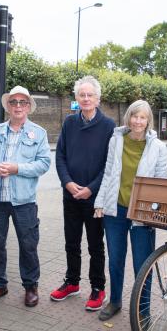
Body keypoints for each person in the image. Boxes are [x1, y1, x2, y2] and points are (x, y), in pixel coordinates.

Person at [93, 100, 167, 321]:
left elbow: (161, 184)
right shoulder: (116, 140)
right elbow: (108, 174)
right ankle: (115, 301)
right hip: (115, 210)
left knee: (143, 264)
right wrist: (100, 203)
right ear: (128, 117)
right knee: (115, 259)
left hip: (142, 213)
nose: (138, 121)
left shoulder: (158, 147)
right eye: (134, 116)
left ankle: (143, 310)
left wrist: (155, 213)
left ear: (148, 121)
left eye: (142, 117)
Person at [0, 85, 50, 308]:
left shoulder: (39, 133)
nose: (18, 106)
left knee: (28, 244)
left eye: (23, 102)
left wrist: (16, 168)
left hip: (24, 200)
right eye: (14, 102)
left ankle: (31, 286)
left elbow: (44, 163)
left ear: (29, 107)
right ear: (8, 106)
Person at [50, 76, 115, 311]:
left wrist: (91, 188)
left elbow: (109, 164)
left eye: (90, 95)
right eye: (81, 95)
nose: (86, 98)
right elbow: (60, 156)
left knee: (96, 245)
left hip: (95, 198)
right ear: (76, 98)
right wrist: (67, 183)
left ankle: (98, 288)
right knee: (71, 242)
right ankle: (72, 283)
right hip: (71, 195)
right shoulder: (69, 123)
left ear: (98, 98)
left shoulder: (109, 126)